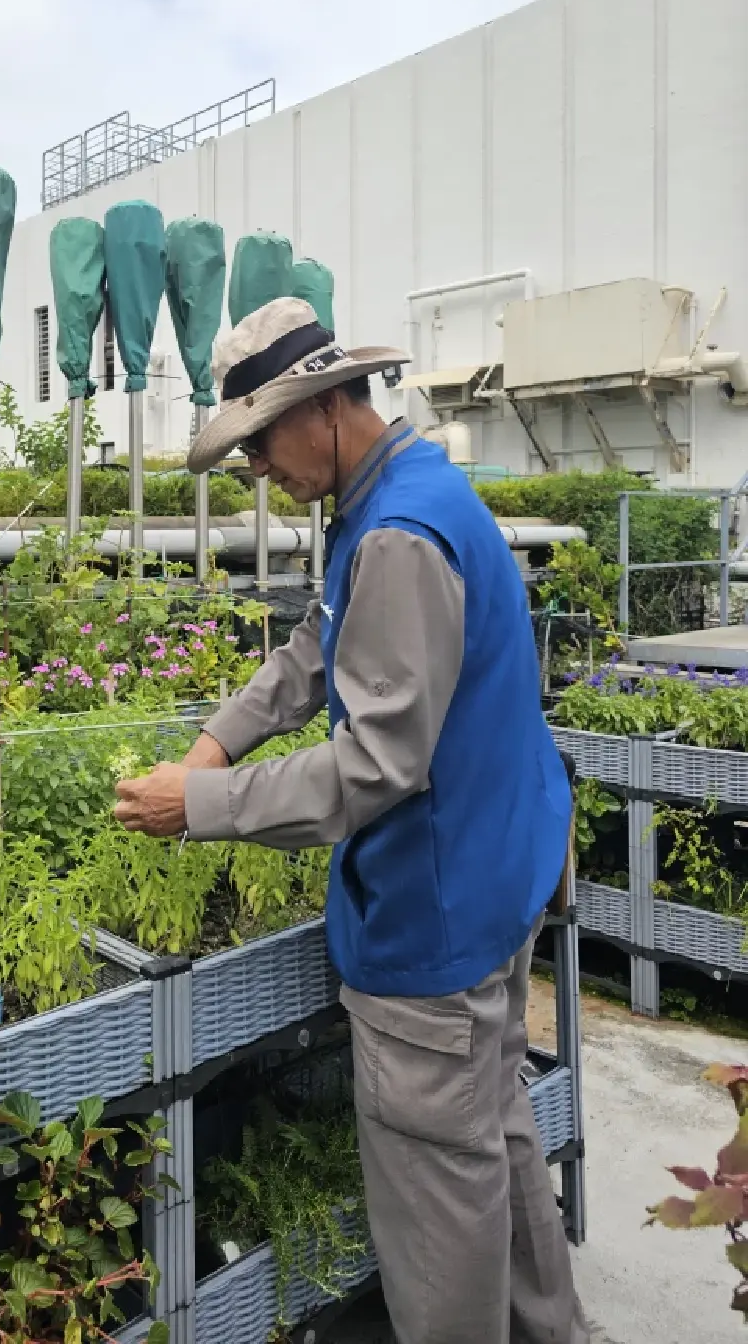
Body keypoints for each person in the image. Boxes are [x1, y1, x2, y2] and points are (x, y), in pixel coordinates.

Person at [113, 296, 589, 1344]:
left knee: (439, 1209)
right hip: (498, 874)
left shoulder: (399, 539)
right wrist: (220, 738)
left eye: (261, 443)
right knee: (496, 1139)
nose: (258, 471)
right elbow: (322, 648)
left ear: (326, 405)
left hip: (438, 914)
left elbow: (375, 765)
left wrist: (196, 805)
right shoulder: (401, 496)